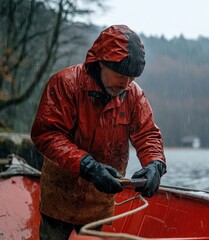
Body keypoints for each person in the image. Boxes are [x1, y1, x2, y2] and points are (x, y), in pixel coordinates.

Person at [31, 25, 166, 240]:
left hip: (100, 202)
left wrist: (154, 165)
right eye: (121, 75)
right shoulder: (65, 83)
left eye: (132, 77)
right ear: (100, 62)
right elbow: (46, 134)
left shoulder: (134, 95)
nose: (126, 83)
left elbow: (147, 134)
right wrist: (89, 166)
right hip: (59, 197)